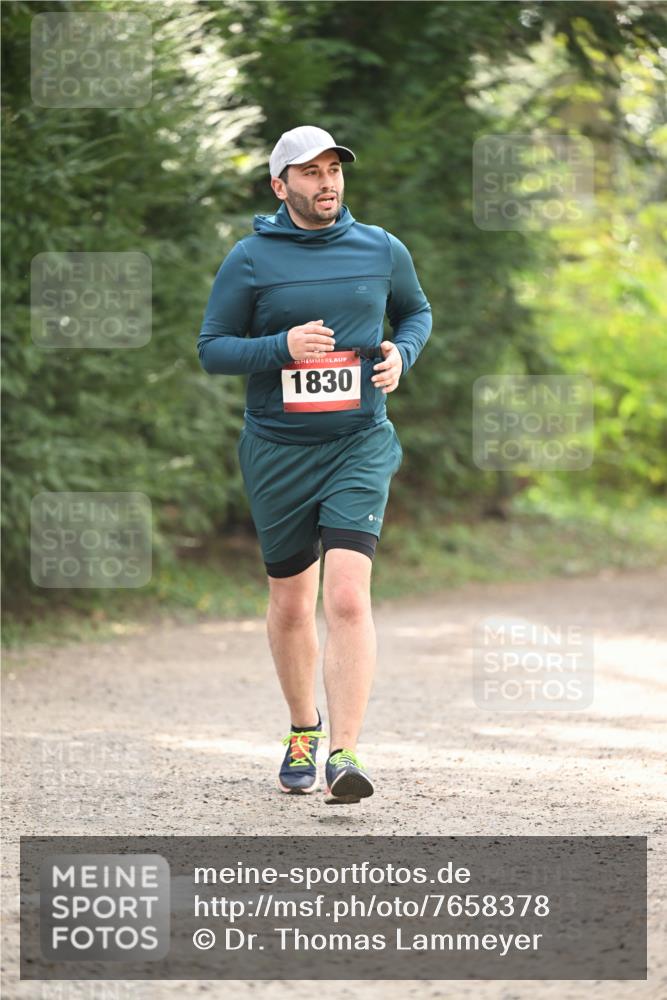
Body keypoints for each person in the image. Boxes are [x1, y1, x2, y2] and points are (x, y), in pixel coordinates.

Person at [198, 125, 431, 804]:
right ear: (280, 186)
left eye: (332, 169)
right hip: (277, 450)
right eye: (308, 172)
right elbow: (212, 348)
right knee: (293, 604)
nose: (325, 182)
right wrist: (281, 346)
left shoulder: (380, 247)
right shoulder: (249, 259)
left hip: (358, 440)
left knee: (348, 596)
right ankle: (303, 728)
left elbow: (414, 313)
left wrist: (400, 354)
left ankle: (345, 754)